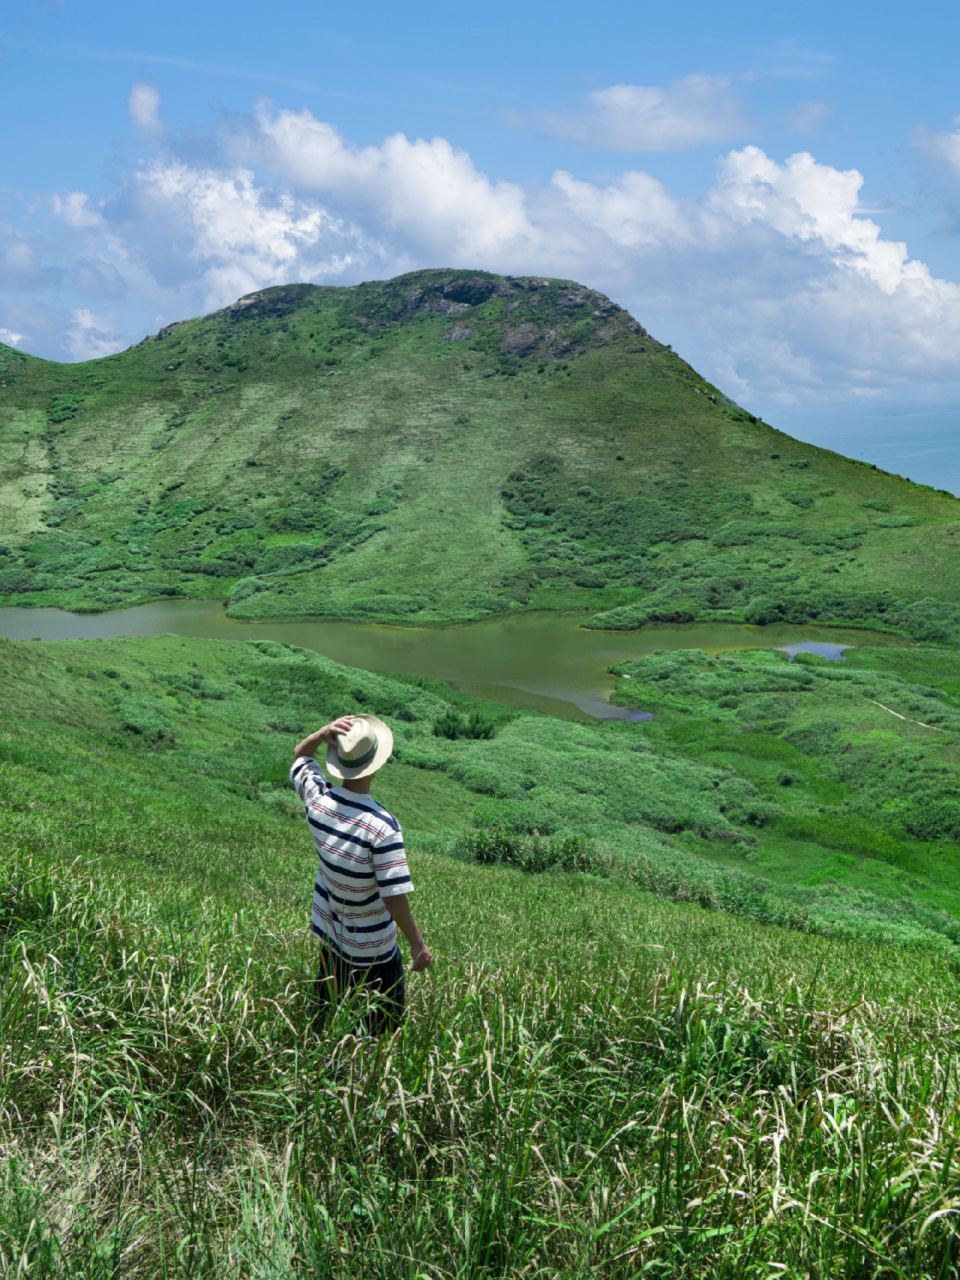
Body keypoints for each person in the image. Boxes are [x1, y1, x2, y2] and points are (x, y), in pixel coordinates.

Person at [290, 713, 432, 1035]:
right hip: (374, 949)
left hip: (330, 932)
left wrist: (323, 731)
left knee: (326, 1014)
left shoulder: (318, 800)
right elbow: (393, 894)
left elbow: (300, 755)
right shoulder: (382, 826)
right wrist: (416, 943)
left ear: (339, 760)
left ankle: (319, 1059)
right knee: (381, 1033)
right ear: (376, 764)